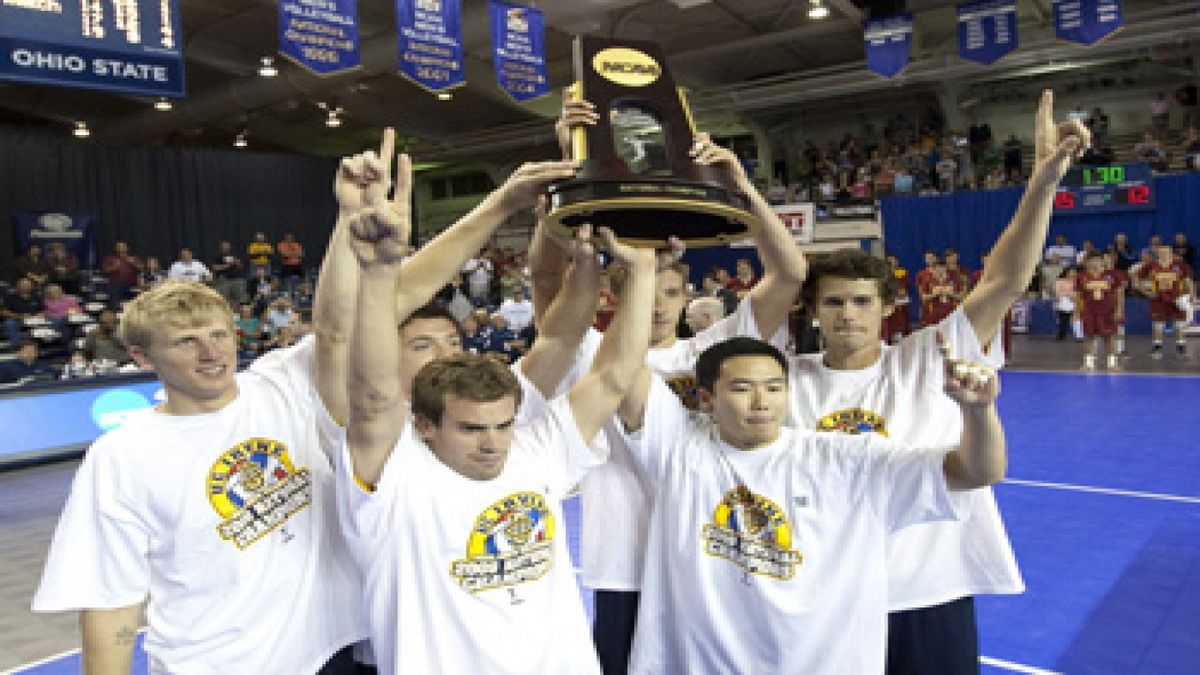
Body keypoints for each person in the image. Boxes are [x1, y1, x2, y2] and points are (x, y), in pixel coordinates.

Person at [783, 90, 1088, 675]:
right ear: (814, 311)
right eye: (835, 302)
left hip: (928, 590)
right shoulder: (785, 382)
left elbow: (1005, 277)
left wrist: (1043, 181)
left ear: (888, 306)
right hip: (825, 588)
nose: (848, 313)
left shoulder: (930, 355)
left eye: (862, 302)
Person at [329, 146, 647, 673]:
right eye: (422, 344)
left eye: (501, 427)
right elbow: (372, 395)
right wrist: (382, 273)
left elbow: (599, 366)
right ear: (428, 427)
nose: (493, 442)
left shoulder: (525, 438)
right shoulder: (394, 464)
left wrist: (613, 268)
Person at [549, 97, 808, 675]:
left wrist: (739, 185)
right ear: (614, 297)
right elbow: (550, 291)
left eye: (671, 294)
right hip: (628, 556)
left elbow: (790, 273)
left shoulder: (715, 351)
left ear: (686, 296)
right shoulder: (594, 354)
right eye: (647, 292)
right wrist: (572, 165)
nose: (660, 307)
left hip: (710, 549)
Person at [613, 335, 1006, 673]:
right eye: (741, 388)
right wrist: (639, 269)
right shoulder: (679, 449)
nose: (760, 402)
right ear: (705, 398)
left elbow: (976, 473)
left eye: (773, 387)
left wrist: (978, 412)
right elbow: (620, 366)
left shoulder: (846, 459)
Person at [31, 280, 368, 673]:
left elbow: (386, 300)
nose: (211, 352)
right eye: (185, 341)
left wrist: (460, 230)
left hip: (335, 649)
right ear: (142, 357)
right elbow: (109, 598)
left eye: (219, 334)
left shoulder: (281, 382)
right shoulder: (122, 456)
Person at [1135, 244, 1195, 359]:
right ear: (1157, 254)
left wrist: (1192, 294)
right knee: (1158, 324)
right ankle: (1157, 348)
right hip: (1158, 299)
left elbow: (1188, 280)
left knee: (1179, 324)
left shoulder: (1180, 265)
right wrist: (1144, 291)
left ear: (1171, 253)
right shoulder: (1152, 265)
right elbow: (1136, 277)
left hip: (1176, 298)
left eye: (1166, 252)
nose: (1163, 254)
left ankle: (1181, 348)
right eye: (1161, 252)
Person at [1075, 251, 1124, 370]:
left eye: (1098, 260)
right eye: (1092, 261)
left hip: (1107, 311)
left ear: (1102, 262)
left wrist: (1118, 310)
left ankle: (1112, 363)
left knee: (1110, 337)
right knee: (1088, 336)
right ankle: (1088, 363)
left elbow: (1119, 293)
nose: (1095, 263)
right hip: (1089, 311)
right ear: (1087, 263)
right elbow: (1078, 296)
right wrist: (1077, 312)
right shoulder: (1081, 276)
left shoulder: (1112, 276)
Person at [1, 277, 42, 346]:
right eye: (23, 284)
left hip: (34, 319)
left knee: (47, 322)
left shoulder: (36, 296)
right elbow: (3, 312)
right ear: (18, 286)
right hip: (16, 319)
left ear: (31, 286)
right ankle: (16, 346)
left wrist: (39, 315)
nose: (25, 286)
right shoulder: (9, 297)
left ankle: (40, 347)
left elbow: (43, 310)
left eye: (27, 284)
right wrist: (20, 316)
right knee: (10, 324)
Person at [211, 240, 246, 306]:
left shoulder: (235, 255)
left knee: (240, 298)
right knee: (223, 299)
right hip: (224, 280)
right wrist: (228, 265)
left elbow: (241, 267)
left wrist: (237, 263)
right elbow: (215, 268)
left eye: (227, 246)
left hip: (236, 279)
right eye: (224, 246)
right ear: (221, 247)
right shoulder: (217, 256)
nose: (226, 248)